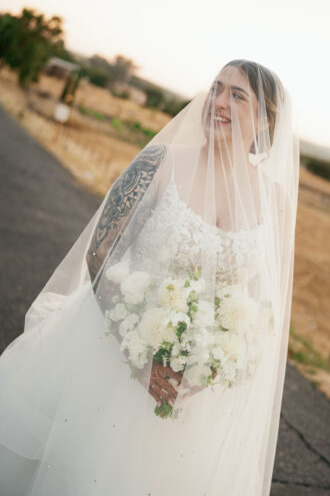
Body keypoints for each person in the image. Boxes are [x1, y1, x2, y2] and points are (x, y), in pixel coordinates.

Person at [0, 59, 299, 495]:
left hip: (193, 392)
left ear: (266, 121)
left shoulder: (275, 203)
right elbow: (101, 251)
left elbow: (260, 305)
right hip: (106, 354)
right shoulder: (160, 162)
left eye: (237, 96)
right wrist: (138, 356)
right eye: (216, 88)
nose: (218, 102)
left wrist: (210, 366)